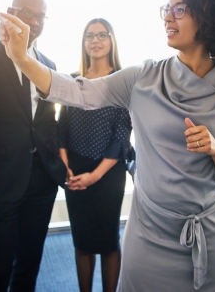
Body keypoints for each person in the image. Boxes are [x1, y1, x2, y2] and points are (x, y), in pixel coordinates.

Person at [0, 0, 215, 291]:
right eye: (167, 9)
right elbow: (76, 91)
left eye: (179, 10)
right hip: (150, 233)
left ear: (210, 16)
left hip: (212, 234)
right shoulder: (142, 78)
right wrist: (22, 59)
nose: (168, 18)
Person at [0, 0, 66, 292]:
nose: (35, 21)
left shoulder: (48, 63)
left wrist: (58, 162)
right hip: (1, 182)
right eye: (28, 13)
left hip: (42, 179)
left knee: (30, 260)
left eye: (41, 16)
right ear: (10, 12)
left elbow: (46, 120)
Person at [58, 18, 133, 292]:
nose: (95, 40)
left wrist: (94, 176)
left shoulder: (122, 80)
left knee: (108, 241)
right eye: (90, 35)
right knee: (82, 239)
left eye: (102, 34)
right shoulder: (73, 80)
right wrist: (65, 166)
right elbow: (62, 126)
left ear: (111, 40)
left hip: (109, 173)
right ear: (84, 42)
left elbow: (121, 136)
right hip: (75, 171)